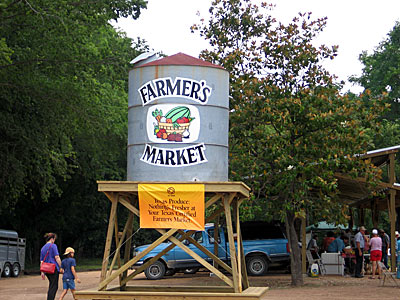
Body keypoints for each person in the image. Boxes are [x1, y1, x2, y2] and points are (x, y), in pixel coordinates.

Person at [40, 233, 62, 300]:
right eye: (54, 239)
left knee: (51, 285)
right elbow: (57, 257)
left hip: (46, 269)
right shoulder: (53, 246)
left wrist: (42, 272)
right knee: (54, 286)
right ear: (52, 239)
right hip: (53, 268)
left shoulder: (43, 248)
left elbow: (41, 261)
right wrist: (61, 266)